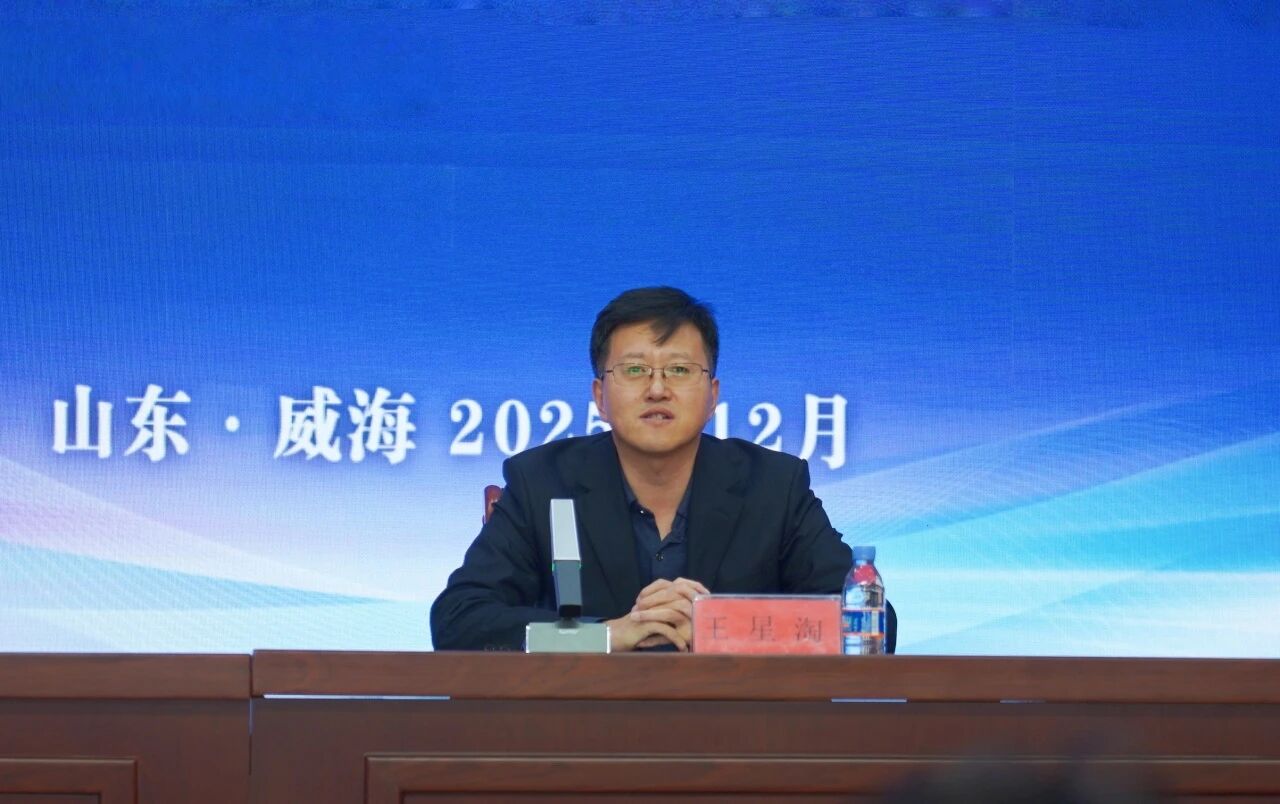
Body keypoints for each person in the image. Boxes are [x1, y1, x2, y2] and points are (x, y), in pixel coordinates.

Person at [430, 286, 855, 652]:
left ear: (712, 396)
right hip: (587, 719)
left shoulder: (774, 486)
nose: (657, 389)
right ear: (600, 396)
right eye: (634, 370)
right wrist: (604, 636)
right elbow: (459, 622)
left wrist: (718, 630)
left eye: (679, 370)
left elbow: (866, 623)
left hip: (735, 718)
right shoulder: (542, 482)